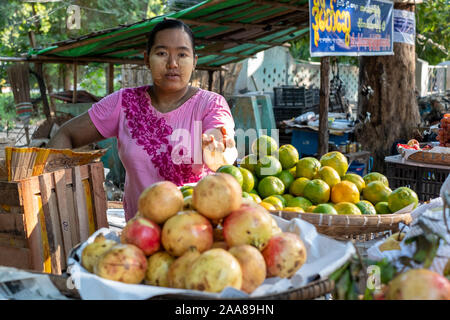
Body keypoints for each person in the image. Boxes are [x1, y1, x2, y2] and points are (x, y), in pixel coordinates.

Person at [48, 18, 237, 221]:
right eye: (162, 53)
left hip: (195, 232)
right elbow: (66, 133)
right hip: (140, 236)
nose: (172, 64)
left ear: (195, 61)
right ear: (147, 59)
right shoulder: (124, 103)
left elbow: (220, 140)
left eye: (182, 54)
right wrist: (52, 194)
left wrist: (216, 146)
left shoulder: (210, 104)